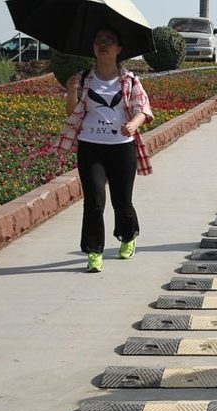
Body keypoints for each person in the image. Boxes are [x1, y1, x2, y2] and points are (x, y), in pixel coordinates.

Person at [55, 27, 153, 273]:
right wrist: (71, 90)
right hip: (91, 148)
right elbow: (72, 113)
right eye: (99, 41)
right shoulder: (84, 78)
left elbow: (143, 108)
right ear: (93, 48)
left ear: (119, 49)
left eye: (109, 41)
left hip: (121, 149)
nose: (103, 44)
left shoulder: (130, 79)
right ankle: (94, 251)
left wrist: (133, 123)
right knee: (94, 202)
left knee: (122, 202)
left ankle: (128, 236)